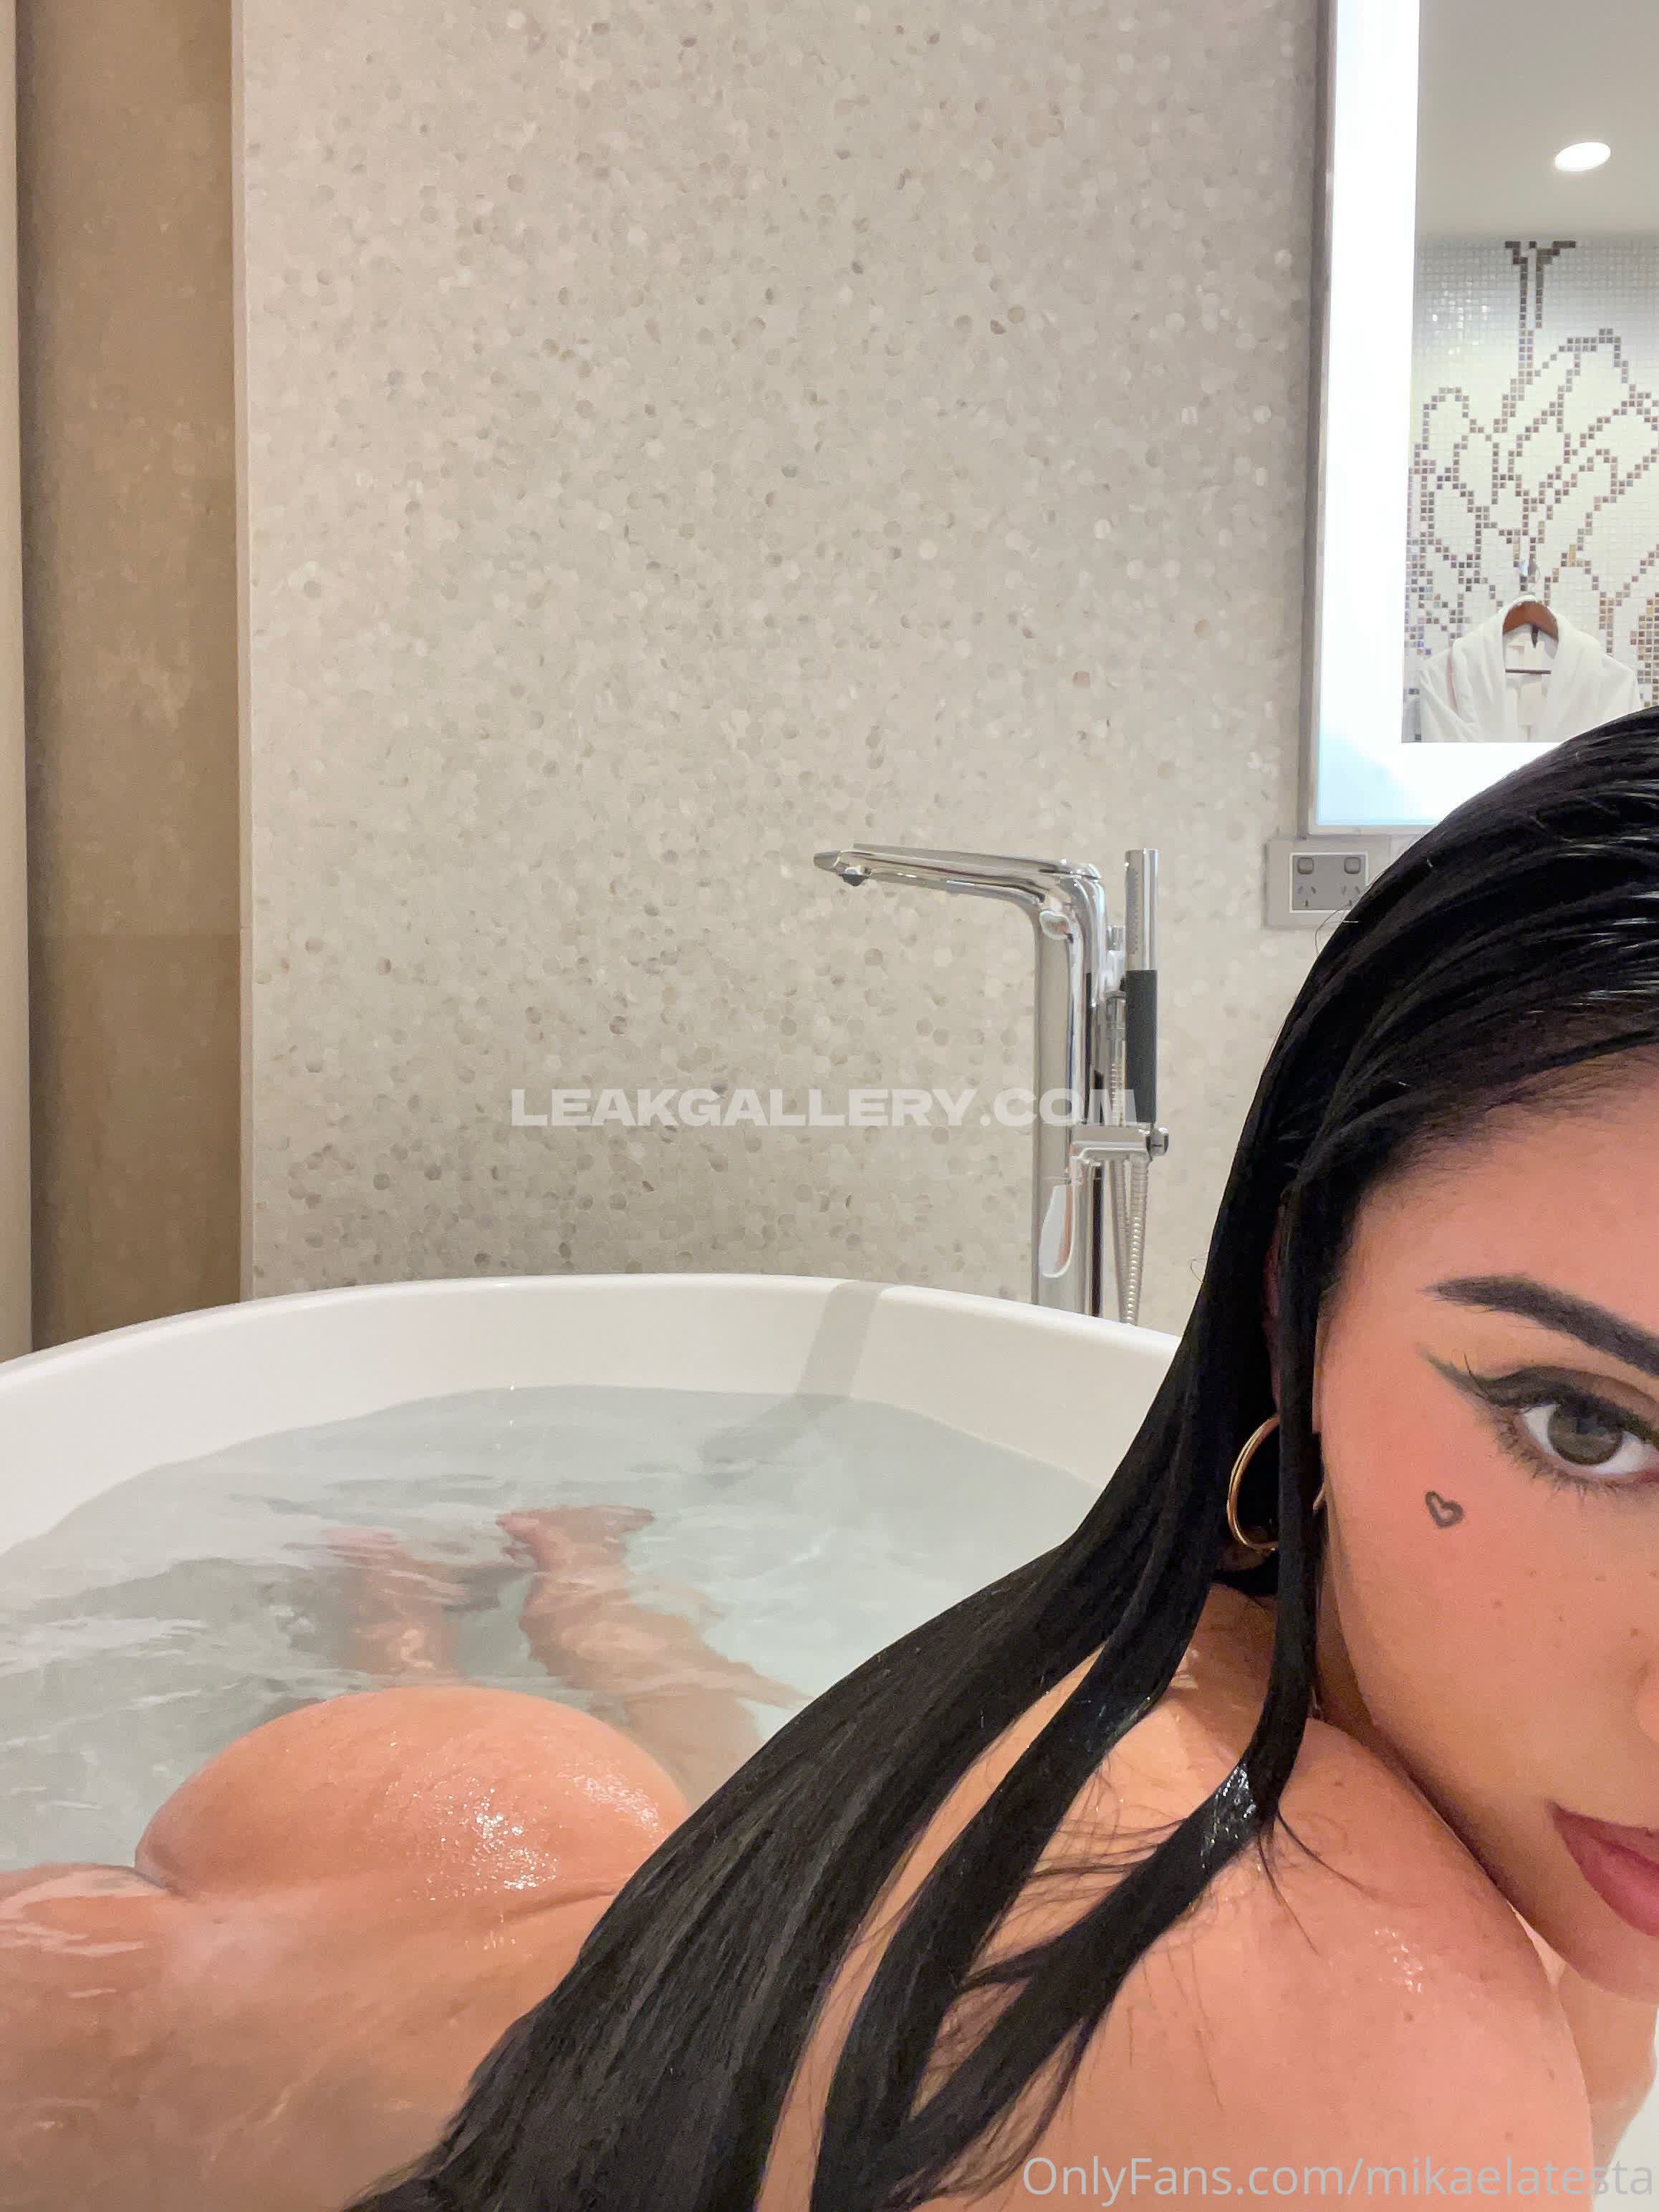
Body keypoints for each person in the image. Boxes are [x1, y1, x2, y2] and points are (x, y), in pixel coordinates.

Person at [351, 713, 1659, 2212]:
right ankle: (449, 1633)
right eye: (1585, 1426)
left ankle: (552, 1610)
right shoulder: (1331, 2041)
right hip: (351, 1966)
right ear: (1295, 1310)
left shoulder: (1546, 1814)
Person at [0, 1506, 798, 2211]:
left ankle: (509, 1591)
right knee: (681, 1784)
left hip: (454, 1819)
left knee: (704, 1775)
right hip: (436, 1875)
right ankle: (492, 1595)